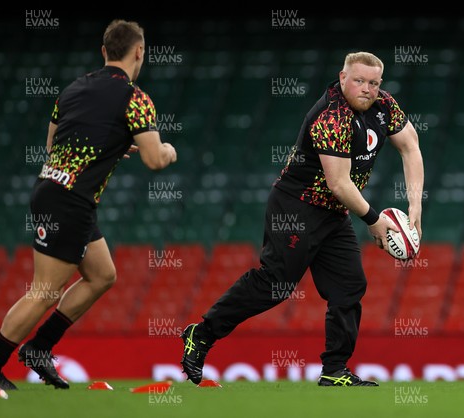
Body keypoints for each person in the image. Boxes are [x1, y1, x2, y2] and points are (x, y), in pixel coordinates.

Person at [181, 51, 423, 386]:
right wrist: (373, 219)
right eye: (359, 81)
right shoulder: (331, 116)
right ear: (342, 78)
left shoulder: (383, 105)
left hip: (334, 213)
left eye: (373, 82)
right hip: (296, 208)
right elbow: (338, 183)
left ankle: (335, 370)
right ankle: (202, 334)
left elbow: (410, 146)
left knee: (349, 286)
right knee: (275, 284)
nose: (367, 88)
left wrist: (415, 208)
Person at [0, 19, 177, 391]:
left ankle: (40, 349)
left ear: (104, 52)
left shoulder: (73, 89)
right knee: (45, 291)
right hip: (71, 201)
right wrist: (169, 150)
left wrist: (110, 144)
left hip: (54, 189)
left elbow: (53, 145)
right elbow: (155, 160)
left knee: (102, 274)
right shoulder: (135, 97)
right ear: (139, 51)